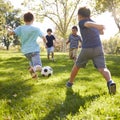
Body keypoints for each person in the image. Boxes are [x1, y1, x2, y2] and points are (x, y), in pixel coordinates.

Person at [66, 7, 116, 94]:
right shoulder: (93, 22)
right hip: (98, 49)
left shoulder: (82, 22)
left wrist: (97, 27)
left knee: (77, 66)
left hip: (87, 49)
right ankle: (110, 82)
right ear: (89, 15)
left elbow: (87, 24)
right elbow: (101, 32)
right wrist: (98, 27)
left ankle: (70, 83)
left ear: (79, 16)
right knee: (103, 68)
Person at [8, 12, 46, 79]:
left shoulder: (20, 28)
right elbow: (43, 37)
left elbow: (11, 33)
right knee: (38, 66)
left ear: (24, 20)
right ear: (33, 19)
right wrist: (45, 43)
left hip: (26, 52)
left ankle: (34, 77)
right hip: (34, 50)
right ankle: (33, 69)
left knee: (32, 65)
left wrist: (9, 30)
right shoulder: (36, 29)